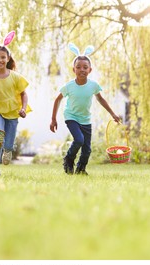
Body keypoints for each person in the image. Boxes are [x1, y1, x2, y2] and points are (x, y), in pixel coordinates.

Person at [50, 43, 121, 175]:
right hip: (71, 117)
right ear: (73, 70)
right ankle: (69, 159)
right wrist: (53, 119)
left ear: (90, 70)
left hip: (86, 119)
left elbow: (100, 99)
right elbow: (58, 99)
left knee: (87, 149)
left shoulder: (93, 85)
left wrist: (113, 114)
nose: (82, 69)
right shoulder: (69, 86)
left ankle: (81, 169)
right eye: (78, 67)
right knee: (79, 140)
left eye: (85, 67)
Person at [0, 31, 31, 175]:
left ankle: (8, 150)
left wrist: (23, 108)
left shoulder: (15, 77)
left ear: (8, 58)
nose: (0, 60)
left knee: (8, 143)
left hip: (13, 112)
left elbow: (24, 94)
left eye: (3, 57)